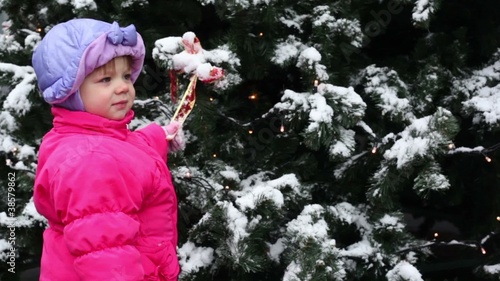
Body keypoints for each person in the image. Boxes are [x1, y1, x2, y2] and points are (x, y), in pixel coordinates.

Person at [32, 18, 183, 281]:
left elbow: (128, 153)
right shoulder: (90, 161)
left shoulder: (91, 137)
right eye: (105, 79)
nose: (123, 86)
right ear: (71, 92)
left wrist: (159, 136)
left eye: (126, 75)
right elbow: (108, 257)